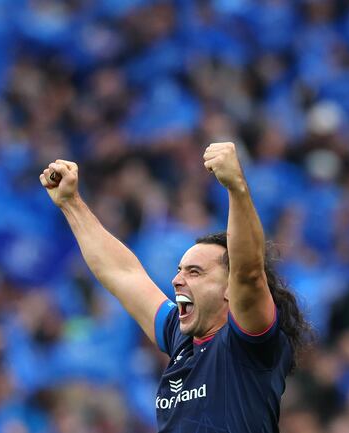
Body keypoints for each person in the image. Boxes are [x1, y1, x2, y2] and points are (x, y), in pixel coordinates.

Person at [39, 142, 313, 432]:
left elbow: (249, 273)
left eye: (195, 272)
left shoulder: (248, 343)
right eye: (179, 270)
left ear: (229, 289)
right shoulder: (180, 338)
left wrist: (236, 187)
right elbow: (123, 273)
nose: (177, 280)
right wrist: (71, 204)